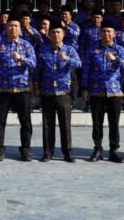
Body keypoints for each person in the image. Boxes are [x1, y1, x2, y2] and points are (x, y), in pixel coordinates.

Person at [0, 14, 36, 162]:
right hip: (2, 90)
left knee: (25, 121)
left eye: (16, 26)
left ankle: (25, 149)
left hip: (22, 89)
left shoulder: (26, 46)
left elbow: (33, 64)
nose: (13, 28)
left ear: (20, 28)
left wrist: (22, 58)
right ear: (6, 27)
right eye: (10, 26)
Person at [81, 20, 124, 163]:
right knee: (97, 123)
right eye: (103, 31)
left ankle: (114, 150)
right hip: (96, 91)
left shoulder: (119, 49)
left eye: (109, 31)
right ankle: (98, 149)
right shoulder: (92, 49)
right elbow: (86, 69)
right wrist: (84, 88)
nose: (106, 34)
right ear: (100, 33)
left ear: (114, 34)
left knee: (114, 123)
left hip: (114, 91)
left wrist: (116, 59)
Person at [35, 21, 81, 163]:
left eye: (58, 32)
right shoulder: (43, 50)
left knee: (65, 125)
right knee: (47, 125)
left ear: (63, 34)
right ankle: (48, 152)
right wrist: (36, 86)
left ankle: (67, 152)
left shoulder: (69, 50)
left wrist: (67, 59)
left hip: (63, 93)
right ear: (49, 34)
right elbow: (38, 70)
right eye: (53, 32)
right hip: (47, 92)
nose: (56, 35)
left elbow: (79, 64)